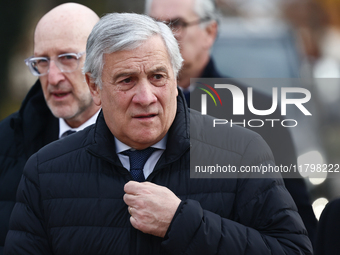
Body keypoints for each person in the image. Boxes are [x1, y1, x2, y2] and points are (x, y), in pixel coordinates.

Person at [4, 12, 312, 254]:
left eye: (158, 76)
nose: (146, 96)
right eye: (126, 80)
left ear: (176, 78)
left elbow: (292, 249)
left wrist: (184, 223)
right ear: (95, 87)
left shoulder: (242, 152)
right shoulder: (45, 172)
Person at [145, 0, 318, 245]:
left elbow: (296, 221)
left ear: (210, 32)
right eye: (154, 24)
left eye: (176, 24)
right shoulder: (125, 109)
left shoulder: (257, 112)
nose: (164, 35)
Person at [0, 3, 100, 254]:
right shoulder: (7, 139)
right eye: (41, 61)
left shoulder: (145, 136)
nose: (53, 77)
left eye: (67, 58)